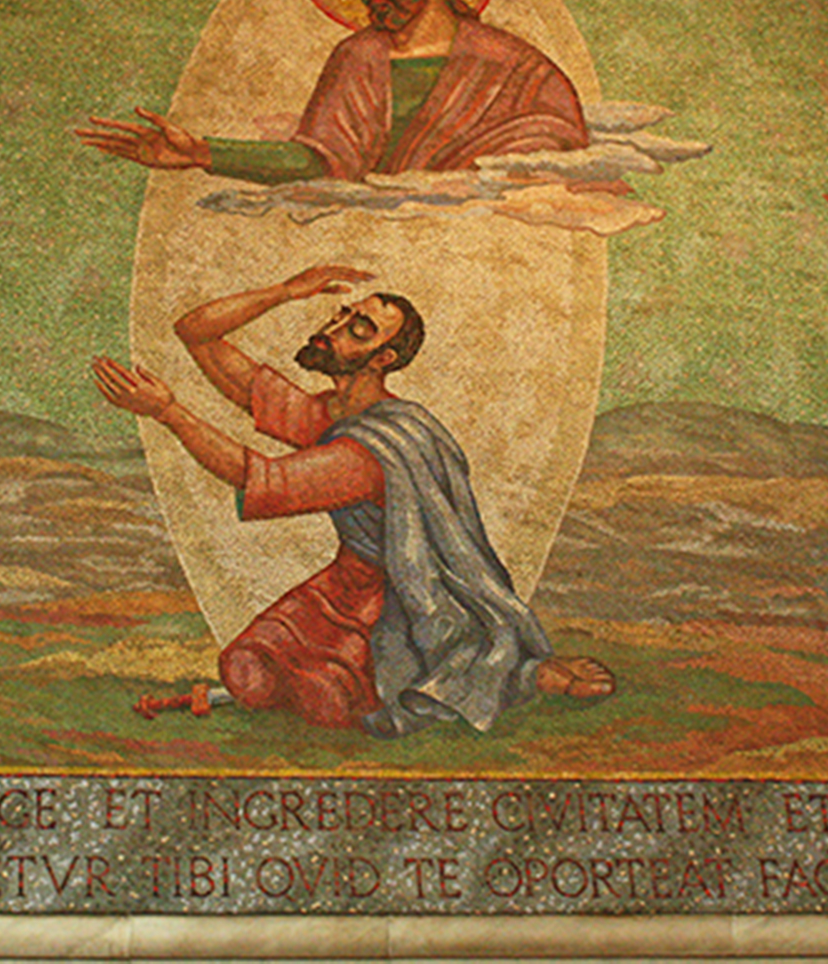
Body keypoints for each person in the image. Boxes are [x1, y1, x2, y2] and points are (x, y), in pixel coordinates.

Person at [91, 264, 613, 736]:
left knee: (329, 703)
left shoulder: (371, 449)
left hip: (400, 604)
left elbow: (261, 478)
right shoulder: (333, 413)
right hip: (341, 588)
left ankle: (527, 675)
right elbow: (196, 333)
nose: (335, 327)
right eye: (343, 314)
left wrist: (169, 412)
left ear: (382, 359)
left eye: (358, 329)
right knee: (247, 672)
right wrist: (286, 290)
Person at [77, 0, 588, 183]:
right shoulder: (358, 56)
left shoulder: (514, 65)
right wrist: (203, 154)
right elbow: (322, 160)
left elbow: (559, 144)